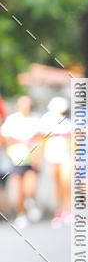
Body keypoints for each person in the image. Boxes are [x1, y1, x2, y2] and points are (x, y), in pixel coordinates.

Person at [1, 95, 42, 229]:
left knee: (29, 188)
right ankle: (21, 214)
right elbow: (5, 138)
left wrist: (37, 156)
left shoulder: (35, 119)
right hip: (16, 158)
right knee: (18, 189)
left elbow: (40, 138)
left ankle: (30, 201)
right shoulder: (12, 120)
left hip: (30, 158)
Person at [40, 96, 71, 225]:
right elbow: (42, 139)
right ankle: (59, 211)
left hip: (66, 156)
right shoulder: (46, 120)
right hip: (51, 156)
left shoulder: (68, 122)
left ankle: (67, 210)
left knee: (66, 183)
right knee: (57, 185)